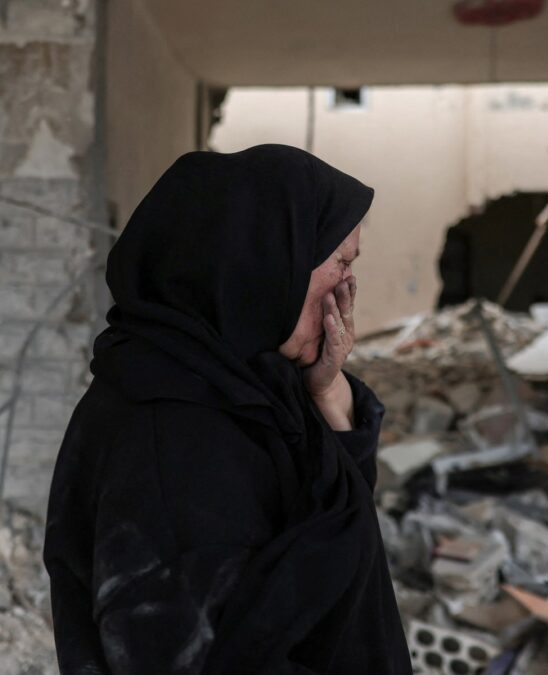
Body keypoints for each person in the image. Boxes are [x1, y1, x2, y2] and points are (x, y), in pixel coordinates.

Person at [43, 145, 412, 674]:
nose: (348, 290)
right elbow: (186, 655)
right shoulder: (170, 437)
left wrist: (326, 390)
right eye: (340, 263)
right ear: (266, 263)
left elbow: (337, 521)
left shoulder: (249, 389)